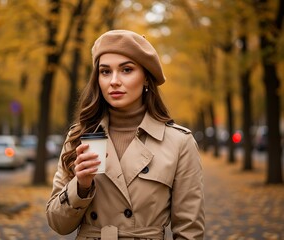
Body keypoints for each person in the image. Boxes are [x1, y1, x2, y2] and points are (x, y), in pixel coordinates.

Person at [46, 29, 205, 239]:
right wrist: (81, 186)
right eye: (105, 72)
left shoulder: (179, 142)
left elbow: (189, 231)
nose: (114, 81)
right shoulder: (80, 136)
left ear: (146, 78)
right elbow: (57, 223)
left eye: (126, 70)